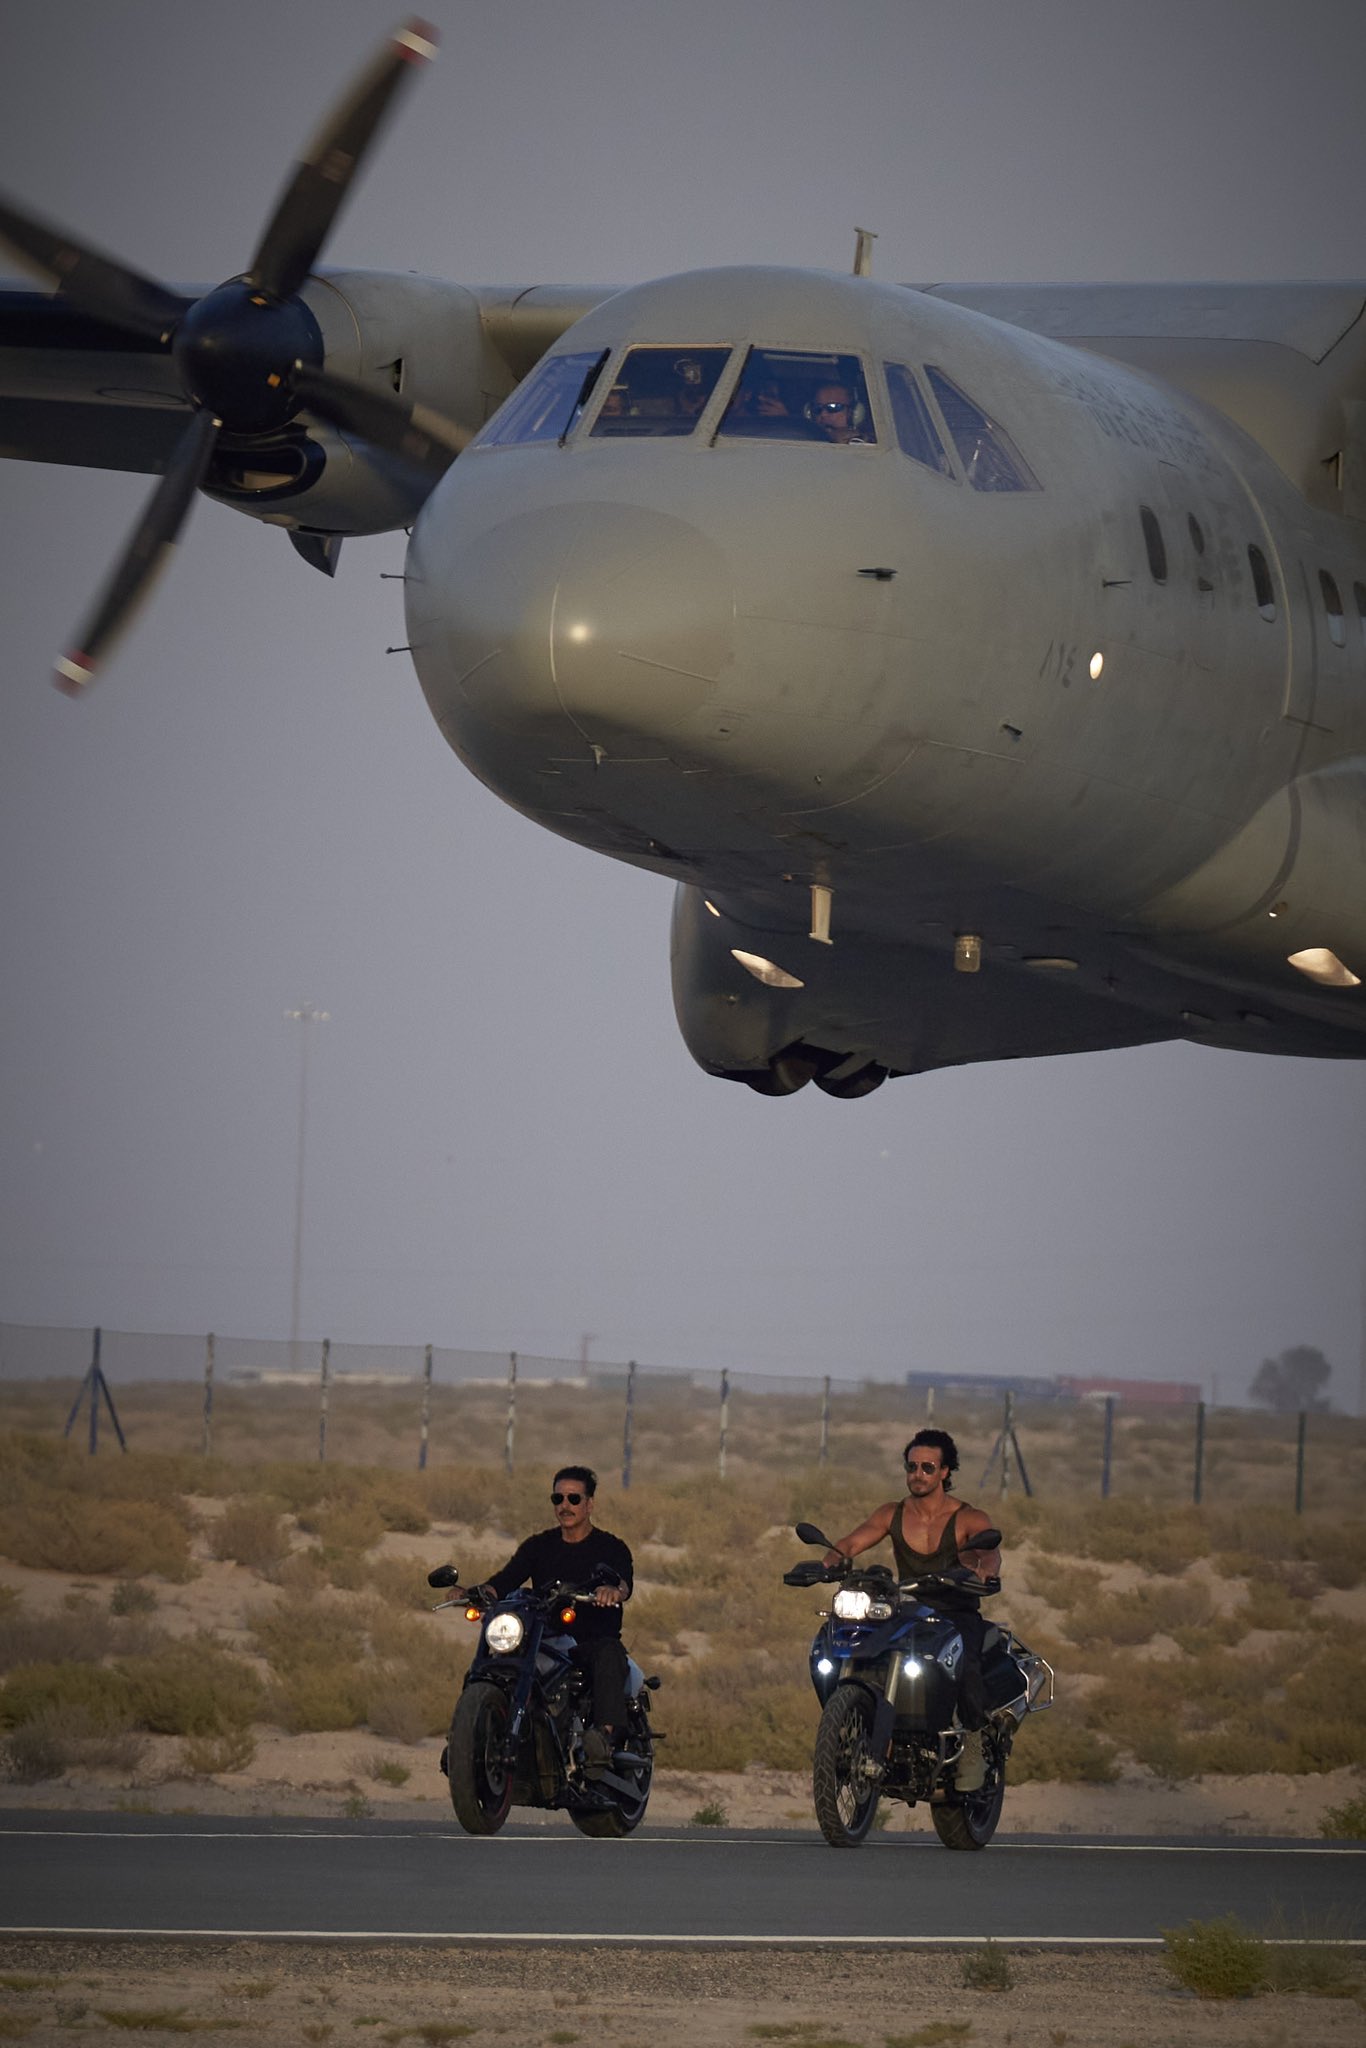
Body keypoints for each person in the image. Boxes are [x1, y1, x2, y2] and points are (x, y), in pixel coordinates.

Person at [822, 1429, 1000, 1790]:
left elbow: (989, 1552)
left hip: (956, 1611)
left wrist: (983, 1572)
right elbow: (851, 1541)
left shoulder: (968, 1518)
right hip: (909, 1609)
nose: (918, 1474)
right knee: (854, 1644)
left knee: (964, 1662)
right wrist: (826, 1563)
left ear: (945, 1472)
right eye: (912, 1466)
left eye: (928, 1467)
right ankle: (862, 1727)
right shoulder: (892, 1513)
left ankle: (975, 1742)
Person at [475, 1464, 633, 1773]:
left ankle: (605, 1738)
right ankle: (469, 1736)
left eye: (574, 1499)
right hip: (543, 1638)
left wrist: (613, 1591)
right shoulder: (538, 1546)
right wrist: (475, 1592)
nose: (565, 1506)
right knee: (498, 1659)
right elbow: (505, 1580)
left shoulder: (612, 1548)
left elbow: (625, 1583)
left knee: (609, 1654)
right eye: (558, 1499)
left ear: (590, 1504)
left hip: (588, 1642)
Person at [807, 380, 868, 444]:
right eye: (817, 408)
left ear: (853, 411)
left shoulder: (870, 443)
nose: (823, 414)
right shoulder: (801, 439)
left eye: (833, 407)